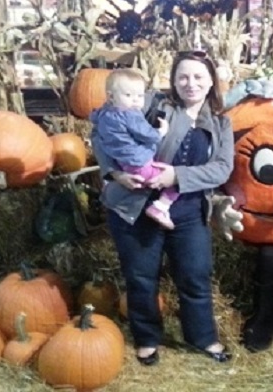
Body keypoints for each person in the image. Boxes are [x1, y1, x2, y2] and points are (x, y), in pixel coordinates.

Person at [91, 50, 234, 366]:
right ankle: (147, 339)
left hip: (187, 211)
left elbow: (222, 168)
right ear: (173, 80)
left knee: (195, 275)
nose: (190, 83)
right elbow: (101, 130)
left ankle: (203, 337)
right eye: (183, 76)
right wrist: (114, 173)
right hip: (138, 206)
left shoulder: (222, 123)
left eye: (198, 76)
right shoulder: (151, 105)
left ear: (212, 80)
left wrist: (176, 176)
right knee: (141, 277)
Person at [90, 68, 178, 230]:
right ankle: (161, 207)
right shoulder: (131, 114)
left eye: (139, 96)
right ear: (110, 96)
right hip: (140, 162)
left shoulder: (104, 114)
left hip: (127, 163)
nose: (136, 101)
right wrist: (161, 132)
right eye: (128, 96)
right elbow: (147, 134)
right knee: (177, 183)